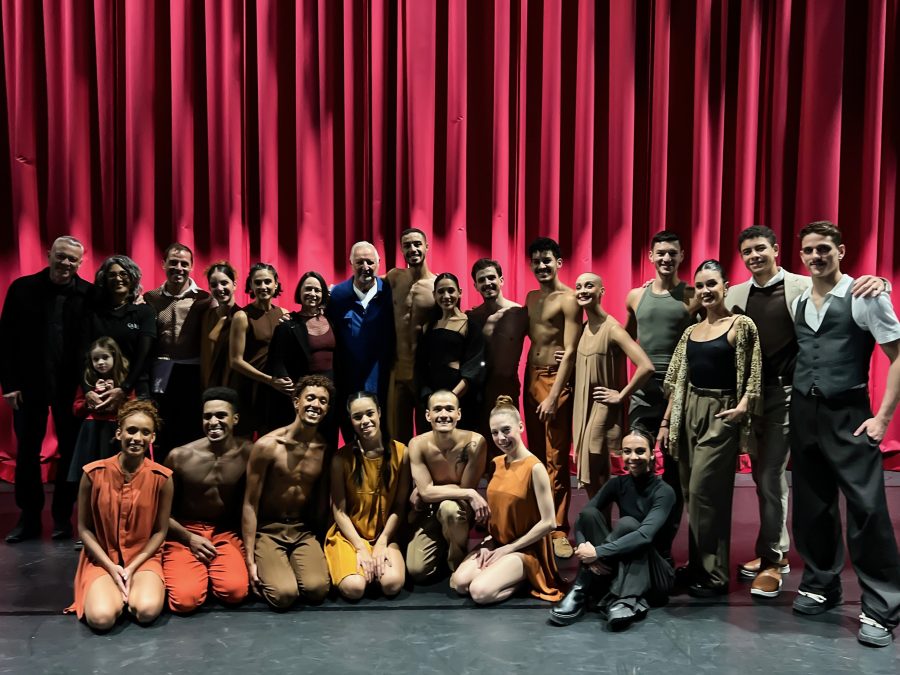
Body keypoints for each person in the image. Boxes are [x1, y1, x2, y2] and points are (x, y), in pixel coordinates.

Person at [725, 225, 888, 597]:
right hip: (751, 398)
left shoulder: (801, 285)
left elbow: (848, 290)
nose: (754, 256)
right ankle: (776, 554)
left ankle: (775, 558)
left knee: (771, 477)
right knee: (768, 480)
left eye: (760, 248)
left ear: (777, 249)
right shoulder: (735, 293)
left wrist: (881, 283)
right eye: (747, 251)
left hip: (793, 395)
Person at [787, 221, 900, 648]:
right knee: (812, 505)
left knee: (867, 510)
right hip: (805, 412)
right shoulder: (799, 299)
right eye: (809, 250)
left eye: (824, 249)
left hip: (849, 413)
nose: (816, 257)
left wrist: (882, 418)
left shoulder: (865, 295)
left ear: (841, 251)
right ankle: (821, 583)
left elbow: (897, 356)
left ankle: (881, 607)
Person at [658, 260, 762, 597]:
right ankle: (698, 567)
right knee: (691, 493)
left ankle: (715, 576)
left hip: (720, 412)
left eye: (712, 284)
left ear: (725, 286)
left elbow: (754, 371)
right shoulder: (692, 331)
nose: (706, 290)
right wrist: (666, 422)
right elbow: (678, 381)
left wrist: (744, 405)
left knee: (706, 492)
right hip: (689, 409)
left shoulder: (740, 325)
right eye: (700, 285)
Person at [1, 235, 91, 543]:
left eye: (72, 259)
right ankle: (28, 518)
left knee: (70, 453)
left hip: (71, 388)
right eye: (61, 256)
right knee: (27, 453)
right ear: (48, 253)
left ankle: (62, 518)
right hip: (29, 386)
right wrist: (9, 384)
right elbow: (5, 340)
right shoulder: (22, 288)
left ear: (80, 263)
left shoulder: (88, 294)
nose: (66, 263)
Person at [550, 430, 676, 630]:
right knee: (590, 515)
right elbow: (583, 517)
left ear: (652, 454)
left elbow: (645, 535)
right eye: (627, 451)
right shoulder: (617, 483)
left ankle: (588, 590)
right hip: (621, 562)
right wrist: (584, 550)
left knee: (628, 524)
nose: (633, 457)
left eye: (640, 451)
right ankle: (600, 593)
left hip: (656, 574)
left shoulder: (664, 492)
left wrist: (597, 552)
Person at [65, 400, 174, 630]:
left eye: (145, 432)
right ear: (119, 433)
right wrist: (112, 568)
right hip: (102, 557)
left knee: (146, 611)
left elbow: (160, 531)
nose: (137, 438)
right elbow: (84, 528)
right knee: (101, 619)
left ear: (152, 437)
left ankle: (129, 592)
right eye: (131, 430)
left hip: (143, 558)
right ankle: (113, 591)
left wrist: (132, 567)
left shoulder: (162, 478)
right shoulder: (93, 473)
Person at [624, 230, 698, 561]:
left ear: (682, 256)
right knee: (637, 464)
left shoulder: (693, 296)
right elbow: (622, 338)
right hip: (642, 392)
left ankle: (663, 547)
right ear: (651, 257)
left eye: (673, 253)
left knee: (672, 472)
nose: (666, 258)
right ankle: (637, 539)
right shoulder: (635, 297)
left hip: (678, 391)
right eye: (661, 253)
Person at [450, 396, 563, 604]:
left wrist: (508, 549)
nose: (501, 438)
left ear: (520, 427)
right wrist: (488, 542)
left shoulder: (535, 468)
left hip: (525, 548)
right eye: (495, 433)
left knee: (479, 592)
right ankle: (501, 573)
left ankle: (528, 577)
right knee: (460, 583)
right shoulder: (495, 463)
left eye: (506, 430)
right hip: (498, 542)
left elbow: (549, 523)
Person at [242, 375, 335, 610]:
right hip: (268, 530)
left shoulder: (323, 449)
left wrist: (322, 543)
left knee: (317, 590)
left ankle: (291, 567)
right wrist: (249, 559)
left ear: (327, 409)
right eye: (310, 398)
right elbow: (250, 504)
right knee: (284, 595)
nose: (315, 405)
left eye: (322, 401)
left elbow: (322, 503)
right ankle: (275, 569)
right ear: (296, 402)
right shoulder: (267, 446)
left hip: (301, 530)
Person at [162, 387, 252, 613]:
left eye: (221, 415)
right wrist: (188, 537)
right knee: (185, 601)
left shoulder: (249, 454)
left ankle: (210, 574)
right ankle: (195, 575)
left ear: (235, 419)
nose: (213, 422)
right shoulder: (180, 456)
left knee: (235, 592)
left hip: (225, 532)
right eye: (207, 416)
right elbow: (159, 511)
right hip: (185, 531)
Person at [524, 237, 582, 558]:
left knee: (556, 458)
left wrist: (555, 393)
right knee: (534, 454)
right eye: (536, 261)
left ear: (558, 263)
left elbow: (571, 349)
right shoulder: (531, 297)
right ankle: (539, 520)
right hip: (531, 377)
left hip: (554, 380)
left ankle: (559, 528)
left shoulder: (569, 299)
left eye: (547, 260)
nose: (541, 266)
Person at [572, 273, 654, 497]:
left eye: (589, 286)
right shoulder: (583, 328)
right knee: (596, 466)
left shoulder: (613, 329)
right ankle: (601, 514)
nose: (583, 291)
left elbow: (646, 366)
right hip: (583, 404)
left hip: (602, 403)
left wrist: (621, 395)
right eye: (579, 287)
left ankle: (598, 510)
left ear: (601, 291)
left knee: (592, 459)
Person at [324, 392, 410, 599]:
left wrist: (383, 541)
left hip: (384, 533)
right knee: (354, 588)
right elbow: (339, 511)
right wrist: (360, 547)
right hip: (349, 535)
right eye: (357, 416)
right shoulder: (340, 459)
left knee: (392, 584)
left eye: (370, 413)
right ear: (351, 421)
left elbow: (399, 505)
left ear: (379, 413)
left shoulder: (402, 452)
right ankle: (357, 567)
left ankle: (373, 567)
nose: (365, 421)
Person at [406, 390, 488, 583]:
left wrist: (431, 489)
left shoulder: (475, 443)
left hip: (458, 509)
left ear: (458, 414)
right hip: (429, 509)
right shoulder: (417, 444)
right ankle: (445, 543)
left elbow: (462, 491)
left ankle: (457, 563)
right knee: (418, 571)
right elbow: (428, 493)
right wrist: (468, 492)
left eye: (449, 409)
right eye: (438, 409)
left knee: (449, 508)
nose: (444, 415)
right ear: (428, 415)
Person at [144, 243, 211, 461]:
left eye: (184, 263)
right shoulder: (150, 298)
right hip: (161, 370)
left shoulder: (204, 298)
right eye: (173, 262)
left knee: (191, 428)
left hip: (192, 370)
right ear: (163, 264)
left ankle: (189, 476)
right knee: (162, 427)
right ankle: (162, 475)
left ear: (191, 266)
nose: (179, 268)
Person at [326, 241, 395, 435]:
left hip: (384, 378)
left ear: (379, 263)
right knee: (352, 431)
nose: (365, 267)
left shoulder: (390, 292)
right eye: (360, 262)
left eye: (370, 262)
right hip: (348, 378)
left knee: (383, 432)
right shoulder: (337, 295)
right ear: (351, 263)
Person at [268, 270, 337, 446]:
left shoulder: (332, 320)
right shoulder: (288, 324)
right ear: (299, 292)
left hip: (331, 393)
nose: (312, 294)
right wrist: (291, 390)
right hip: (304, 395)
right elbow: (277, 360)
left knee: (327, 441)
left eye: (317, 290)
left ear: (323, 294)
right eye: (308, 289)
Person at [466, 258, 529, 451]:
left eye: (491, 278)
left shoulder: (519, 313)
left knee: (508, 444)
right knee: (481, 447)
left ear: (501, 280)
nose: (487, 283)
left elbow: (546, 337)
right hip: (478, 392)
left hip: (507, 388)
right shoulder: (471, 317)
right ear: (475, 286)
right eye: (481, 280)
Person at [415, 272, 486, 433]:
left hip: (461, 398)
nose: (446, 296)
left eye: (451, 290)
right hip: (431, 398)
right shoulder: (428, 326)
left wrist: (450, 400)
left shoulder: (470, 325)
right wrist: (431, 400)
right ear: (434, 295)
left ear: (460, 292)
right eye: (441, 291)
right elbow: (420, 366)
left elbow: (475, 367)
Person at [385, 228, 436, 443]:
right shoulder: (394, 277)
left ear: (426, 247)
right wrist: (332, 290)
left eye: (417, 244)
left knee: (428, 437)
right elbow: (363, 284)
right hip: (398, 372)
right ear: (401, 250)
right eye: (407, 245)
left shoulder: (438, 286)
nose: (413, 249)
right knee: (397, 439)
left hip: (425, 375)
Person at [229, 262, 291, 433]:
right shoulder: (242, 316)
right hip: (250, 389)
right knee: (245, 442)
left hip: (276, 391)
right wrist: (269, 380)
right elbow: (235, 361)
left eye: (267, 281)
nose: (263, 286)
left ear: (276, 284)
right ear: (251, 286)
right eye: (257, 282)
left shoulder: (284, 314)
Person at [83, 255, 157, 400]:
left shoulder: (145, 312)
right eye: (112, 275)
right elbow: (83, 353)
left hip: (135, 390)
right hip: (99, 389)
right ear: (104, 279)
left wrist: (125, 388)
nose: (118, 279)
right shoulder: (92, 314)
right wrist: (87, 390)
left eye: (123, 274)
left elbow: (144, 355)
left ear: (133, 278)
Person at [68, 337, 133, 482]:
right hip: (91, 431)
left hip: (114, 431)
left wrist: (115, 397)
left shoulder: (124, 381)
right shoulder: (88, 381)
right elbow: (76, 409)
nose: (100, 362)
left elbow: (132, 409)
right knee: (90, 474)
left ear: (115, 357)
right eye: (96, 359)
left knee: (112, 475)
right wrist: (90, 400)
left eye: (105, 357)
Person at [201, 262, 240, 389]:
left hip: (235, 387)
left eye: (224, 283)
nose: (219, 288)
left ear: (234, 285)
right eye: (214, 285)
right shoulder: (207, 316)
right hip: (210, 387)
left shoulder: (243, 317)